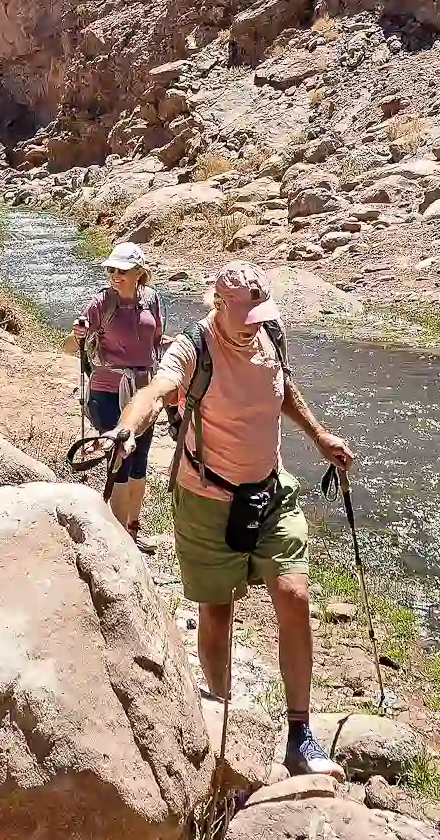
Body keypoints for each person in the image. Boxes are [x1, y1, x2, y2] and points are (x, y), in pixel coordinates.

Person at [107, 263, 354, 778]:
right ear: (219, 307)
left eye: (260, 315)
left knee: (295, 596)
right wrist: (126, 429)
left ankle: (299, 735)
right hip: (206, 500)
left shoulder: (269, 336)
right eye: (246, 317)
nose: (255, 325)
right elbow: (156, 391)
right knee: (217, 614)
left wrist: (320, 437)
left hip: (269, 492)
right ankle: (220, 718)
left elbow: (283, 389)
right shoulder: (192, 348)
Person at [72, 240, 166, 545]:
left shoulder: (152, 300)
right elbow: (71, 347)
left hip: (142, 391)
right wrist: (78, 335)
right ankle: (119, 538)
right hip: (107, 392)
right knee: (122, 460)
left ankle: (133, 528)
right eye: (112, 269)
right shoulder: (99, 303)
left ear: (139, 272)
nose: (115, 274)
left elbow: (157, 341)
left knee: (140, 461)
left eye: (123, 270)